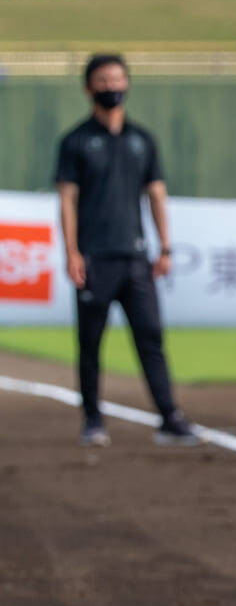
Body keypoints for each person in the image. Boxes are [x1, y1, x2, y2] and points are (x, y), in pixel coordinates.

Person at [53, 54, 198, 449]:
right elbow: (67, 199)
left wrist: (164, 247)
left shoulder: (142, 140)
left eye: (117, 79)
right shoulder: (76, 141)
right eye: (103, 80)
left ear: (128, 84)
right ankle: (93, 419)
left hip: (135, 259)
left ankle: (169, 416)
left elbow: (156, 194)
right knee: (90, 343)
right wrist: (72, 251)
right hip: (94, 258)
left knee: (151, 337)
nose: (111, 87)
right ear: (88, 87)